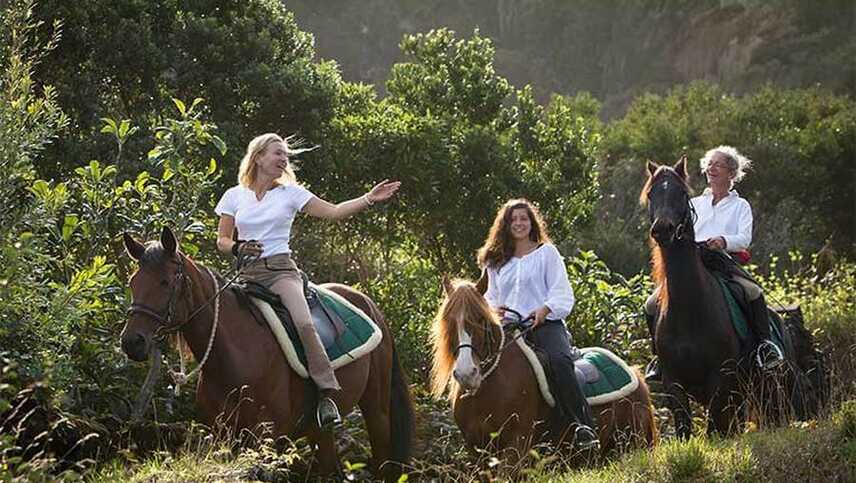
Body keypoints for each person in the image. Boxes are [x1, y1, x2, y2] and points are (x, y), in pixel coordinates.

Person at [214, 133, 400, 430]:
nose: (283, 159)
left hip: (280, 274)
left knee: (303, 323)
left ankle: (327, 394)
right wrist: (237, 247)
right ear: (258, 157)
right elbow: (222, 240)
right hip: (244, 275)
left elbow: (335, 211)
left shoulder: (291, 194)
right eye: (277, 153)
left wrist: (368, 199)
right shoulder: (234, 195)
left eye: (285, 155)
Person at [644, 145, 784, 383]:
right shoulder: (694, 203)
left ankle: (764, 347)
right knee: (650, 304)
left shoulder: (741, 206)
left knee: (753, 292)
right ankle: (660, 358)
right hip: (693, 262)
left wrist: (723, 241)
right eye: (709, 164)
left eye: (718, 164)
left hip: (724, 263)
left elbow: (744, 238)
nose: (711, 168)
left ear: (731, 172)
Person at [477, 198, 600, 451]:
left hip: (545, 325)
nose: (519, 223)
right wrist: (492, 309)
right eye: (514, 219)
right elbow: (489, 296)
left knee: (559, 362)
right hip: (507, 329)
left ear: (532, 223)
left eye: (524, 218)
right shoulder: (495, 259)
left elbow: (562, 293)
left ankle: (582, 426)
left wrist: (545, 309)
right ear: (505, 224)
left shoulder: (547, 253)